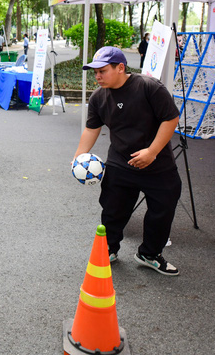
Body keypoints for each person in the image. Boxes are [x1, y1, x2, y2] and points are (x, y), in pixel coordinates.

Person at [73, 46, 182, 276]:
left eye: (102, 71)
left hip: (157, 164)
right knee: (112, 210)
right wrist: (77, 159)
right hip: (120, 163)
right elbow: (92, 129)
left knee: (162, 211)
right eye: (95, 72)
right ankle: (108, 250)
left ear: (120, 67)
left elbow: (171, 119)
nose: (98, 76)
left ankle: (149, 254)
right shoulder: (98, 97)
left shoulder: (149, 87)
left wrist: (151, 151)